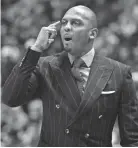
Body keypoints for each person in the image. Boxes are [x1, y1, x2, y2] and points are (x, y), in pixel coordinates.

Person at [2, 5, 138, 147]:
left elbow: (132, 140)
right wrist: (36, 49)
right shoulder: (44, 65)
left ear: (92, 34)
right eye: (64, 22)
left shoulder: (119, 72)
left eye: (75, 23)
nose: (66, 27)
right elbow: (10, 98)